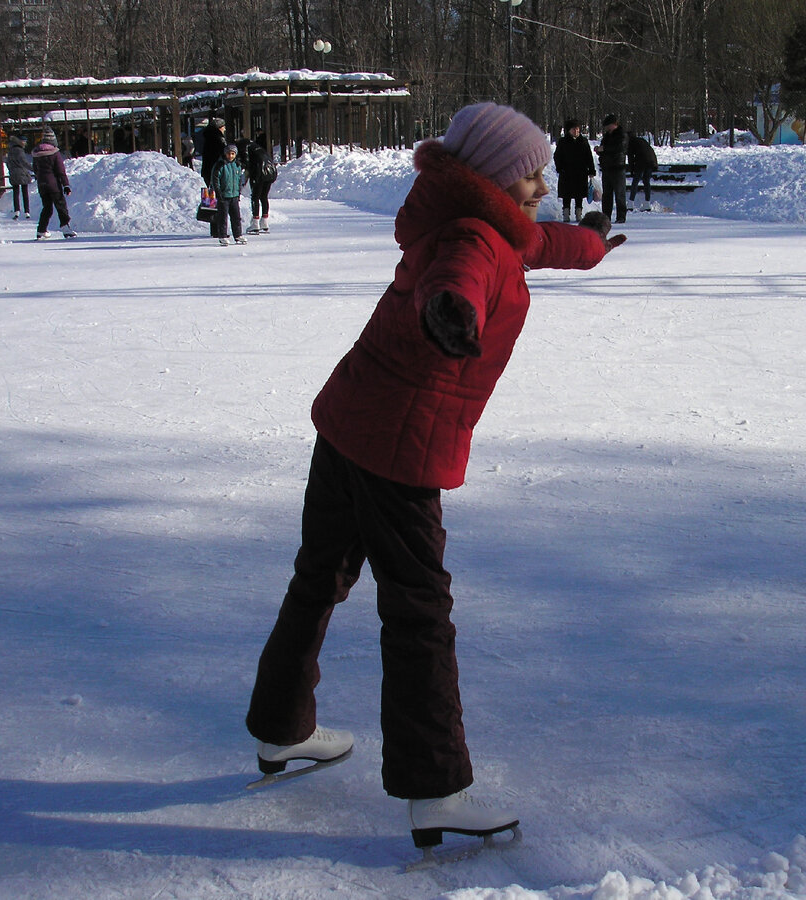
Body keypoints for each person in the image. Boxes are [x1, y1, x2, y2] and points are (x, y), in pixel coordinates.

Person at [244, 102, 625, 854]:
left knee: (318, 576)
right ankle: (436, 790)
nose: (543, 183)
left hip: (351, 413)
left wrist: (590, 248)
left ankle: (281, 731)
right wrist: (449, 312)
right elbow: (458, 276)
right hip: (399, 441)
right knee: (418, 608)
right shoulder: (470, 237)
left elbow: (534, 242)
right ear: (492, 176)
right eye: (530, 172)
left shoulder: (471, 216)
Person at [31, 127, 75, 240]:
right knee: (61, 206)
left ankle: (41, 230)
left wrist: (40, 178)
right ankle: (66, 229)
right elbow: (60, 171)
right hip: (53, 184)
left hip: (42, 185)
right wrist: (66, 185)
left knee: (47, 207)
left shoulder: (36, 153)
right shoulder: (54, 153)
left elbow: (35, 169)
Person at [552, 118, 596, 223]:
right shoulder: (563, 141)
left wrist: (591, 170)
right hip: (567, 172)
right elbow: (557, 156)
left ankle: (578, 213)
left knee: (579, 194)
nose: (576, 131)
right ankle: (566, 213)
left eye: (577, 129)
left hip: (581, 172)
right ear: (569, 130)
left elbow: (589, 157)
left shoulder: (583, 141)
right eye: (573, 129)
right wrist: (560, 168)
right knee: (566, 194)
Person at [210, 143, 247, 245]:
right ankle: (222, 235)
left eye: (232, 154)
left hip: (234, 195)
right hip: (223, 196)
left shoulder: (237, 165)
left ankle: (238, 235)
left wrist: (238, 192)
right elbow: (215, 179)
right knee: (223, 217)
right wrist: (218, 192)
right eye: (228, 154)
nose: (230, 156)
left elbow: (239, 179)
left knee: (236, 217)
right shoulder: (220, 165)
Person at [594, 113, 628, 223]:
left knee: (619, 194)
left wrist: (604, 149)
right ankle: (606, 216)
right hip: (607, 167)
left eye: (608, 125)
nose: (607, 128)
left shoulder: (622, 135)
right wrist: (599, 151)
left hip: (618, 167)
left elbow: (619, 148)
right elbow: (606, 148)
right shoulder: (607, 136)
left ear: (614, 124)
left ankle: (621, 216)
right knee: (607, 195)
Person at [246, 131, 276, 234]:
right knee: (264, 197)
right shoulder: (259, 149)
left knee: (255, 197)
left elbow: (247, 162)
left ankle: (255, 222)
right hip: (270, 173)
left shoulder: (247, 149)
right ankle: (265, 221)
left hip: (260, 174)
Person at [627, 131, 658, 208]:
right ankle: (647, 203)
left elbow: (630, 157)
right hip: (651, 161)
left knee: (635, 181)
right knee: (646, 181)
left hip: (641, 162)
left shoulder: (630, 143)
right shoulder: (642, 140)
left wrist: (632, 170)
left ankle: (631, 203)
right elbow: (650, 151)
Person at [5, 135, 33, 220]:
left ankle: (16, 210)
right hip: (22, 173)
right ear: (21, 142)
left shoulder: (11, 150)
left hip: (13, 173)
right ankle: (26, 211)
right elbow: (23, 162)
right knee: (25, 192)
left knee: (15, 192)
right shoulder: (20, 150)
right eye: (24, 141)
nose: (25, 143)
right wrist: (33, 168)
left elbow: (7, 162)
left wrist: (11, 169)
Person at [200, 117, 227, 187]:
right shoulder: (219, 138)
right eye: (224, 127)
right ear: (219, 127)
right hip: (217, 166)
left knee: (210, 187)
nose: (224, 129)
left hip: (207, 168)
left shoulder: (208, 137)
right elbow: (224, 151)